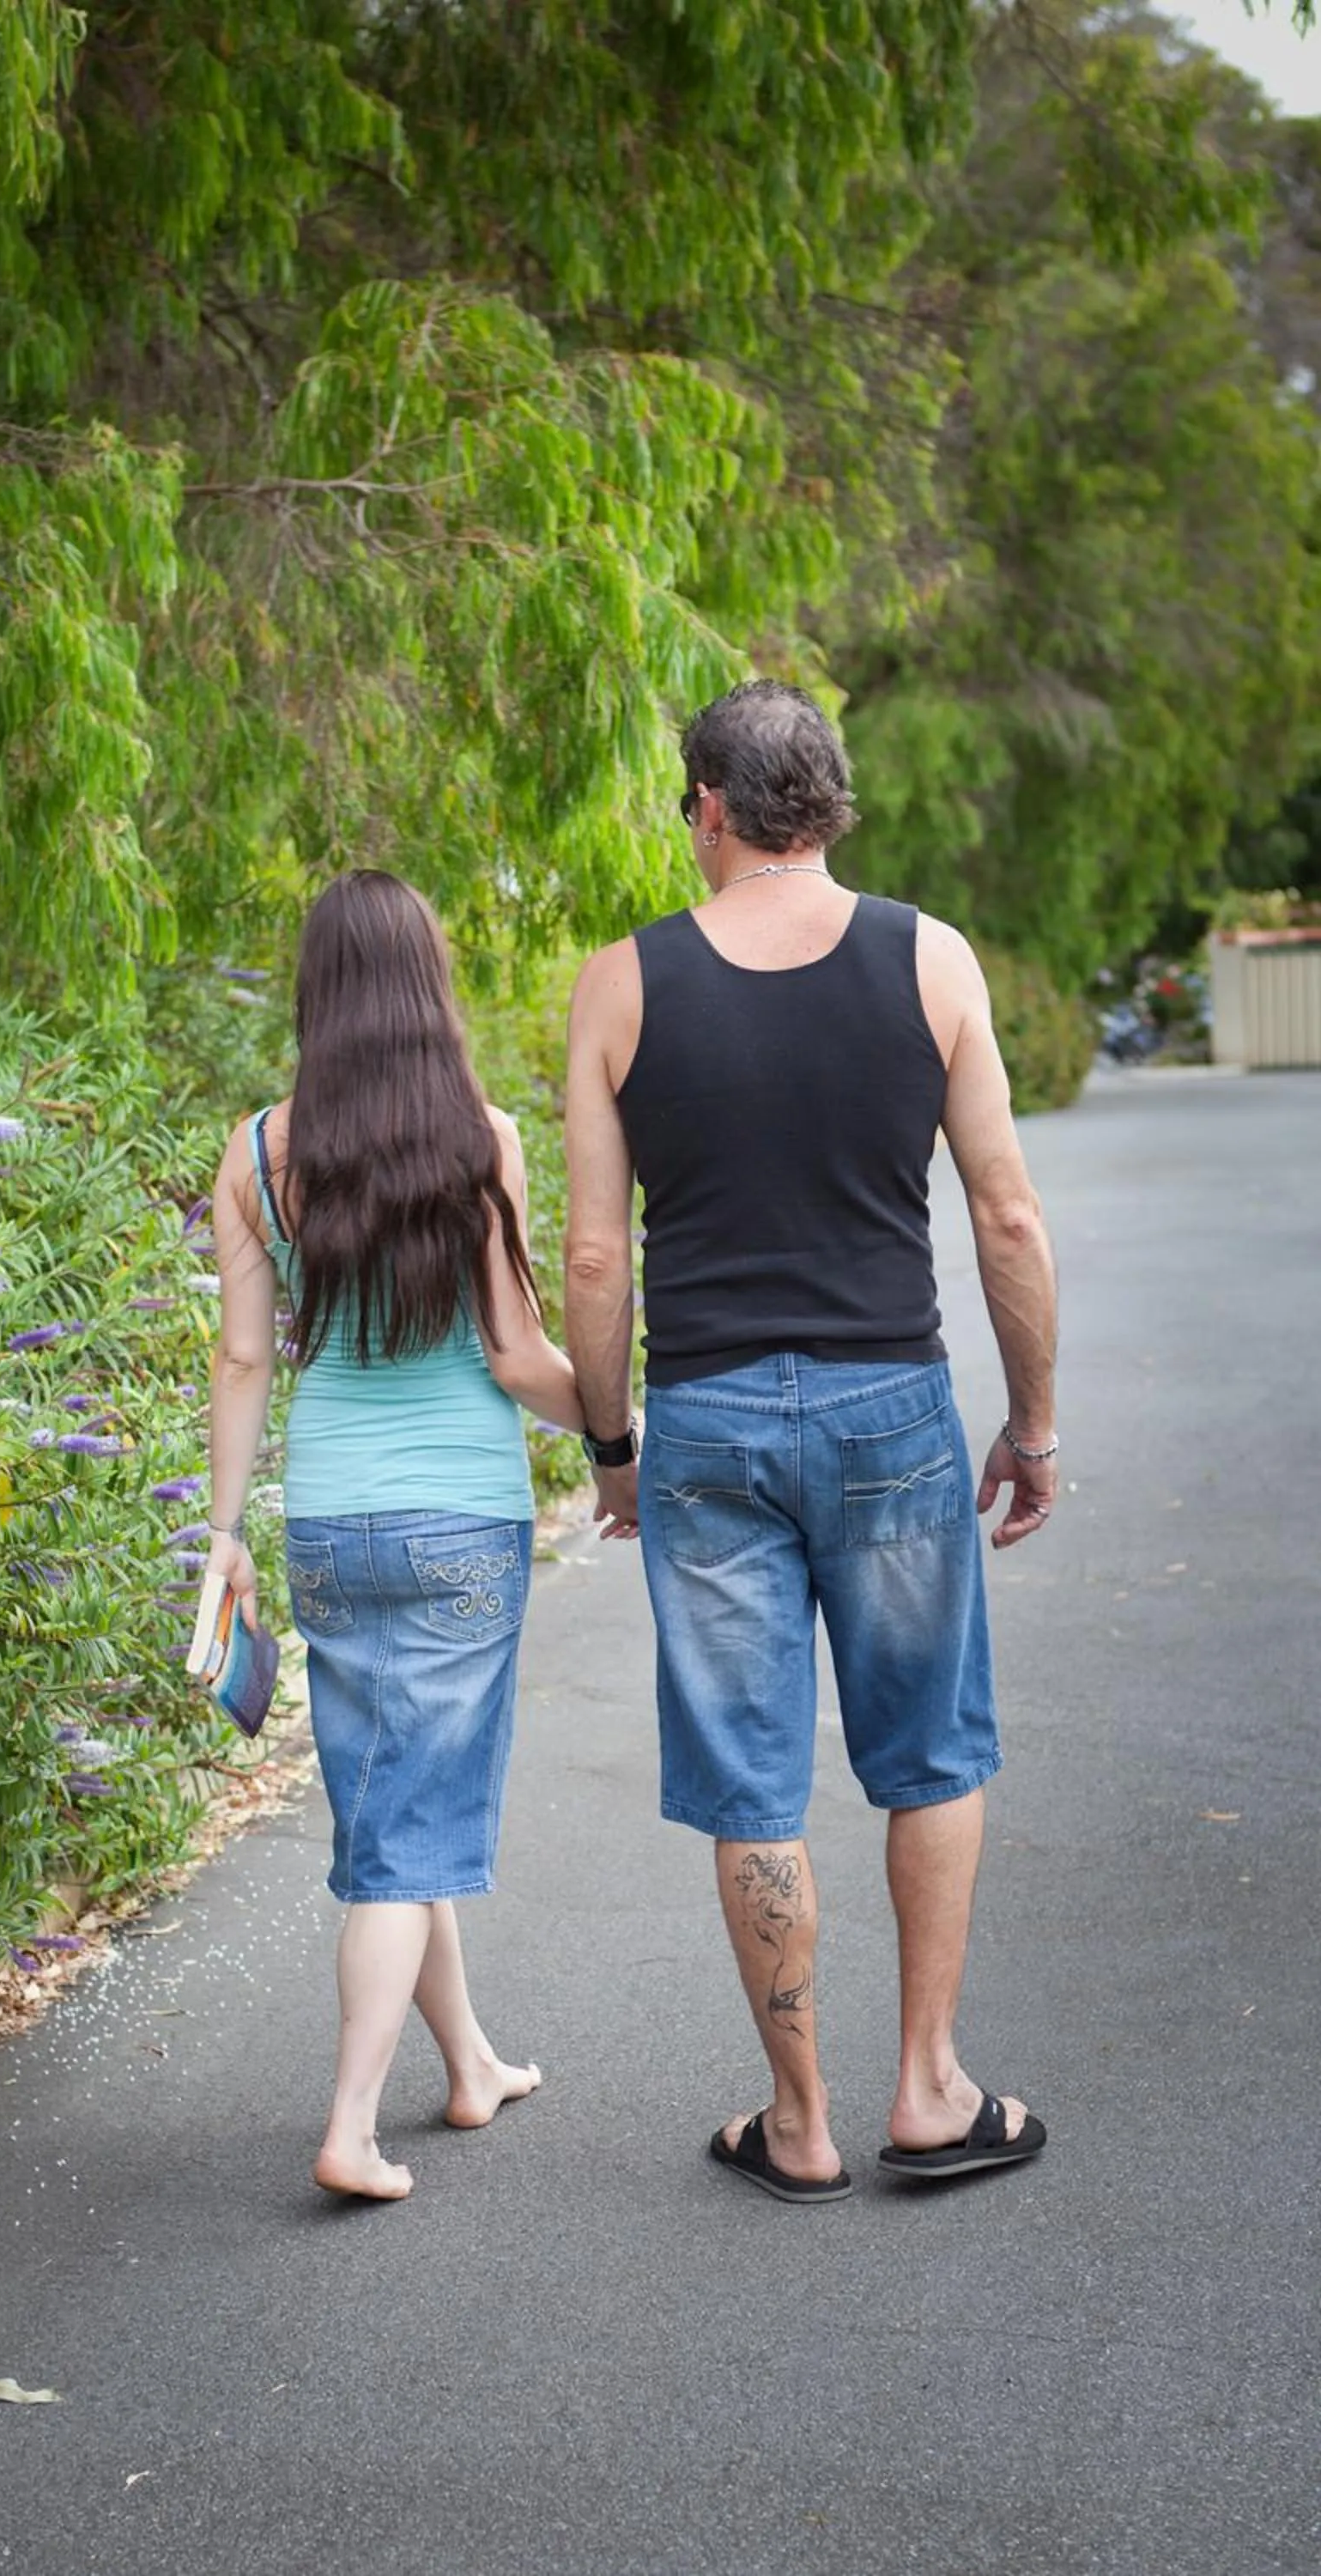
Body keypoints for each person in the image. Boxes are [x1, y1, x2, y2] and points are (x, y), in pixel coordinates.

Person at [562, 678, 1057, 2202]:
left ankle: (798, 2122)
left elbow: (595, 1257)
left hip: (708, 1421)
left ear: (709, 808)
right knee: (929, 1750)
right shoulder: (930, 959)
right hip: (889, 1407)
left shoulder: (622, 983)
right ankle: (929, 2088)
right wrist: (1033, 1423)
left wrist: (613, 1446)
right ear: (826, 802)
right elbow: (1005, 1216)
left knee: (751, 1778)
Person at [205, 868, 585, 2202]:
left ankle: (470, 2065)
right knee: (403, 1836)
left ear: (315, 991)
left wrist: (224, 1533)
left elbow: (243, 1361)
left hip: (330, 1523)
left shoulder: (258, 1154)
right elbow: (517, 1354)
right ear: (428, 986)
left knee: (396, 1798)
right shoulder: (481, 1140)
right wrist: (618, 1425)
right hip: (461, 1522)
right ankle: (351, 2128)